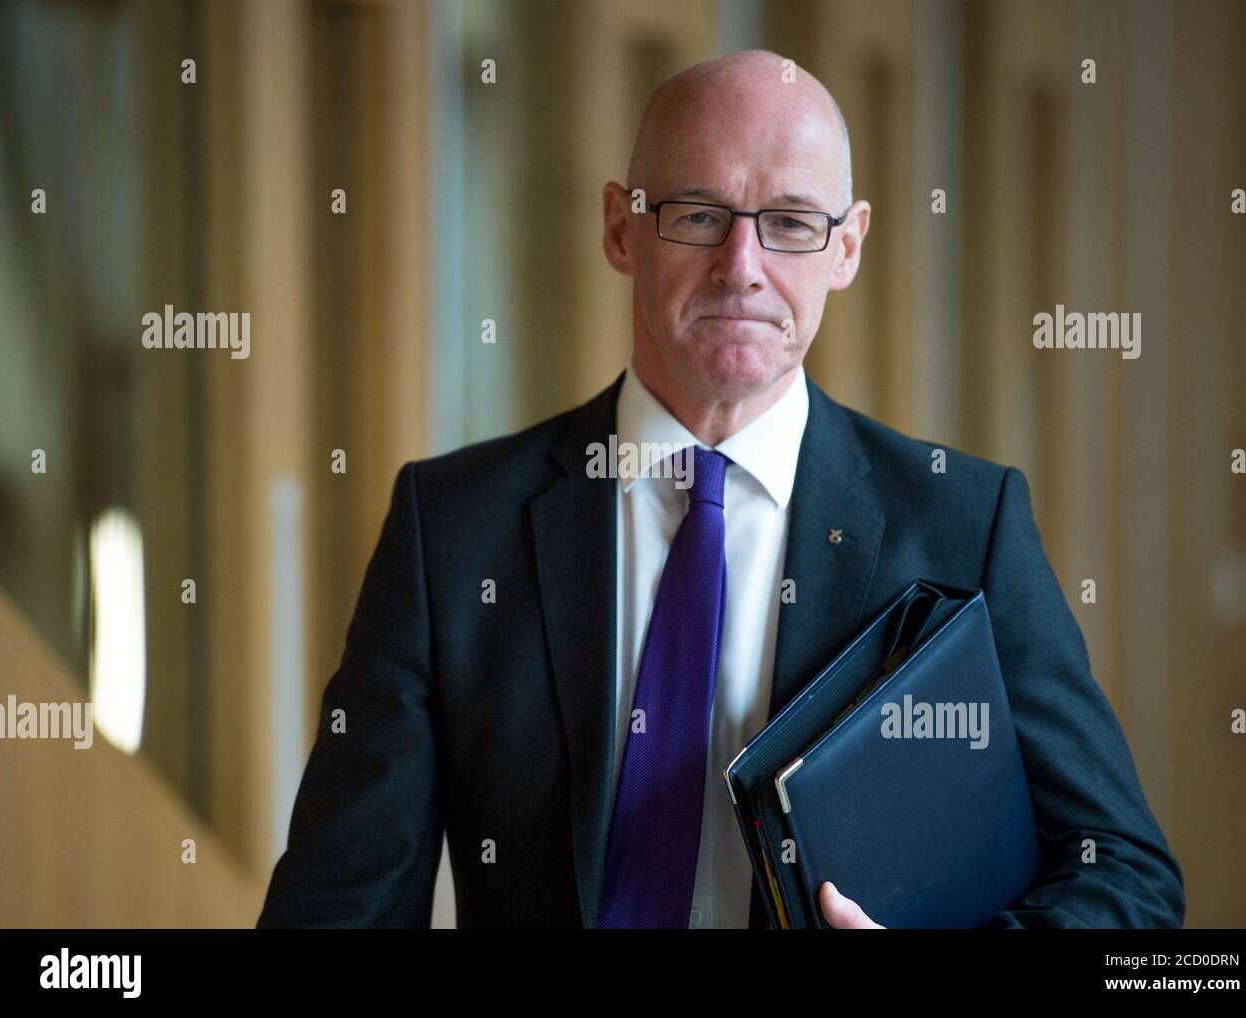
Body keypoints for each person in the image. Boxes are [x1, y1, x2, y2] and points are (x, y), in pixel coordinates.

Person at [257, 49, 1184, 929]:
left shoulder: (964, 526)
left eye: (790, 222)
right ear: (621, 228)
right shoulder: (453, 530)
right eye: (698, 214)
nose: (741, 267)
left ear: (848, 246)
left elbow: (1126, 877)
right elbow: (338, 908)